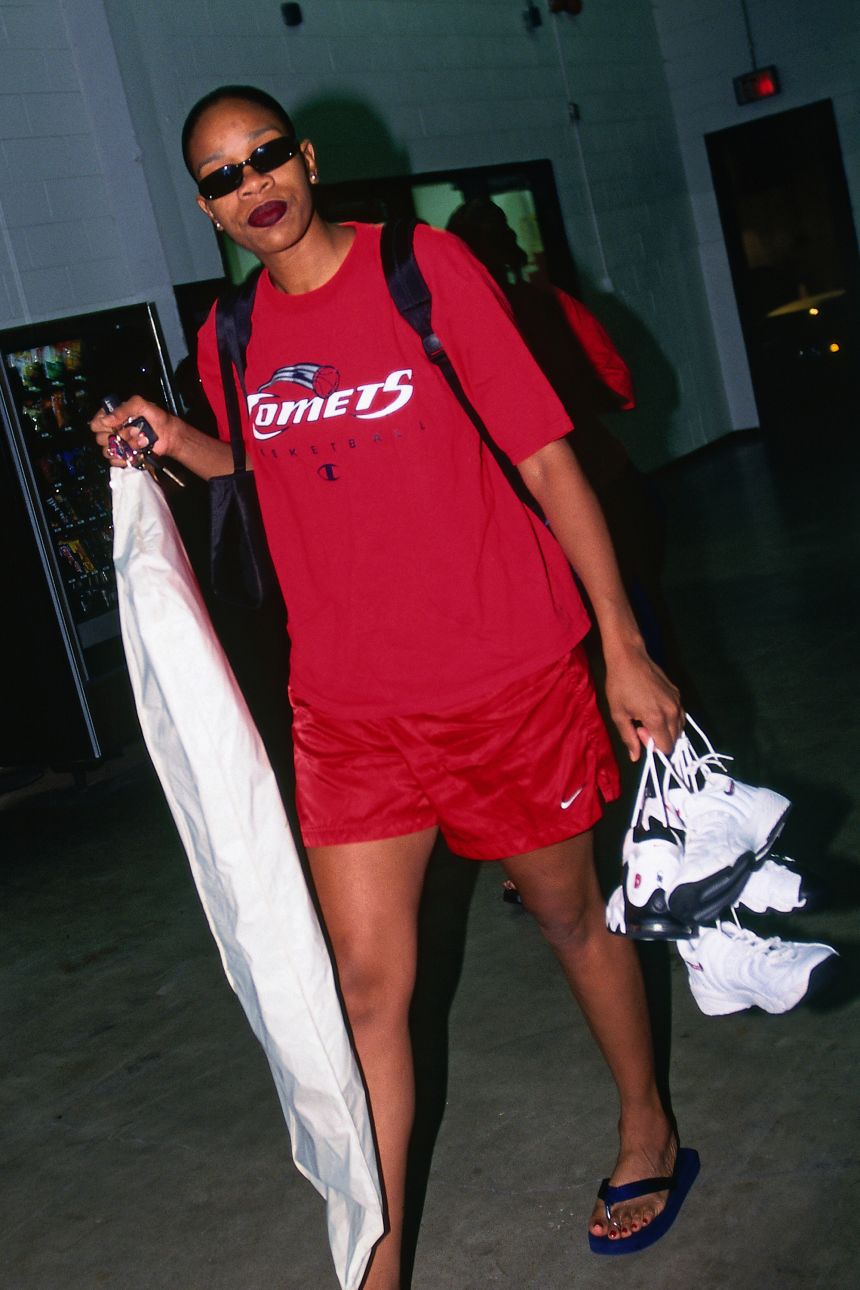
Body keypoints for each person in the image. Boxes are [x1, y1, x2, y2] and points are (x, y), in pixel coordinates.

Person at [91, 85, 689, 1288]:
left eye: (266, 156)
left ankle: (647, 1130)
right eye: (220, 175)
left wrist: (620, 644)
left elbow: (544, 455)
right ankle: (377, 1266)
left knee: (570, 919)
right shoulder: (231, 334)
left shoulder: (422, 271)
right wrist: (168, 436)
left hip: (505, 678)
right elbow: (260, 474)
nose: (251, 183)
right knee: (365, 992)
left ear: (305, 160)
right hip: (350, 715)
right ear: (201, 203)